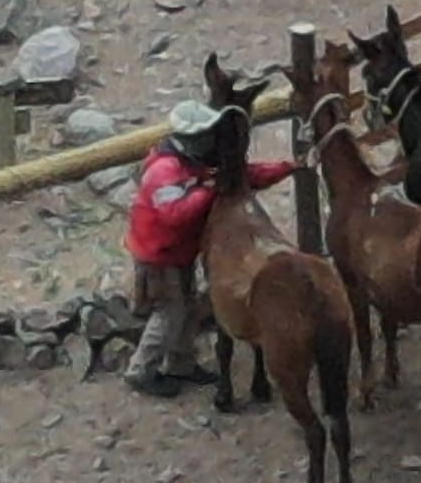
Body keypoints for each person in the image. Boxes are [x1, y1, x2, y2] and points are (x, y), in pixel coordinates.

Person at [123, 99, 296, 398]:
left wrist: (287, 168)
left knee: (186, 307)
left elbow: (249, 176)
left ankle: (181, 363)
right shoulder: (165, 171)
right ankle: (141, 369)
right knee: (170, 311)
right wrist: (208, 190)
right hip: (159, 255)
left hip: (176, 252)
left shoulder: (194, 165)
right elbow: (173, 214)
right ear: (190, 139)